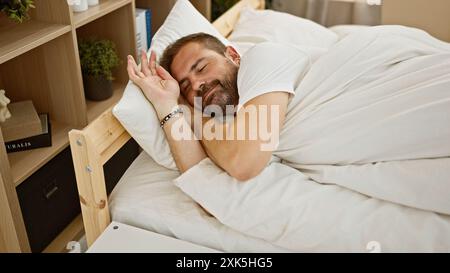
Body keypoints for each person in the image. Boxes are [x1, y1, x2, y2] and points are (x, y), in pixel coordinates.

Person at [127, 33, 310, 181]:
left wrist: (191, 115)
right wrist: (166, 104)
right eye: (186, 86)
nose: (197, 84)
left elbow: (242, 164)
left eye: (202, 68)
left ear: (233, 56)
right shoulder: (224, 122)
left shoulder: (263, 58)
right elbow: (202, 183)